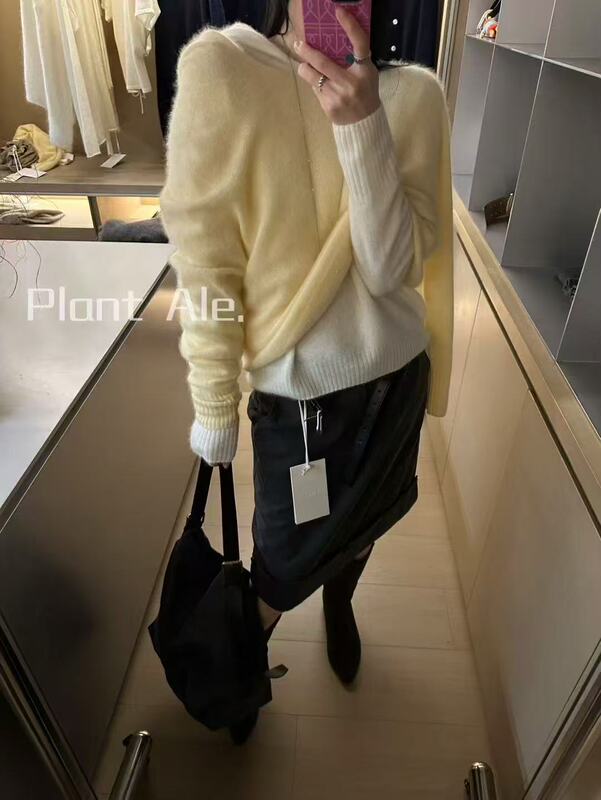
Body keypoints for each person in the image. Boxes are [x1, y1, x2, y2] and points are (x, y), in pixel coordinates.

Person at [160, 0, 454, 743]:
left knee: (364, 529)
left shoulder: (415, 95)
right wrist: (214, 400)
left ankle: (340, 601)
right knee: (283, 559)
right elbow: (205, 261)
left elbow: (391, 272)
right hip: (299, 402)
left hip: (394, 378)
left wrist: (363, 124)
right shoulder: (222, 69)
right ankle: (243, 655)